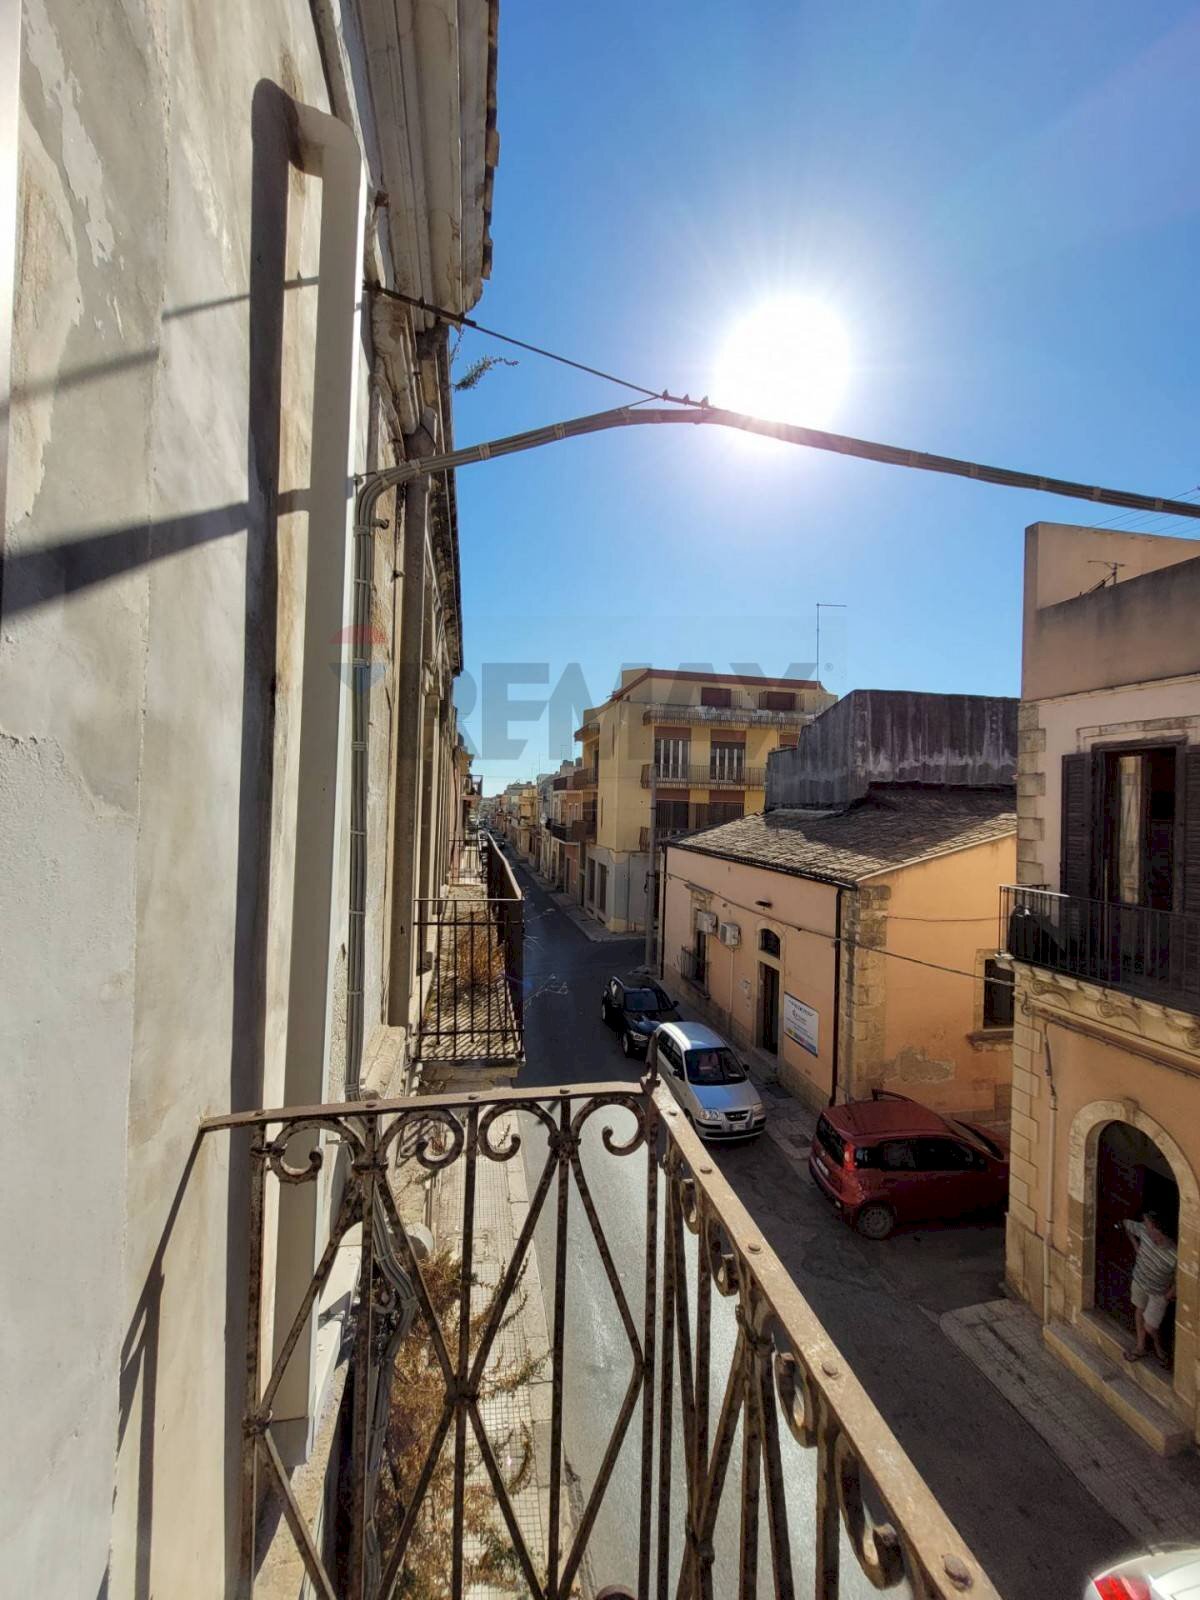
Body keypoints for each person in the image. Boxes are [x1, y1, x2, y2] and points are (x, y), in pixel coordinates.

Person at [1120, 1209, 1177, 1366]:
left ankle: (1160, 1350)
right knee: (1139, 1310)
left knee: (1150, 1326)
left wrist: (1167, 1296)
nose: (1145, 1226)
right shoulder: (1144, 1231)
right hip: (1140, 1282)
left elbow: (1180, 1280)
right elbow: (1125, 1224)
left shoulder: (1174, 1254)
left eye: (1148, 1224)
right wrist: (1136, 1246)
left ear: (1157, 1229)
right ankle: (1140, 1347)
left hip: (1158, 1293)